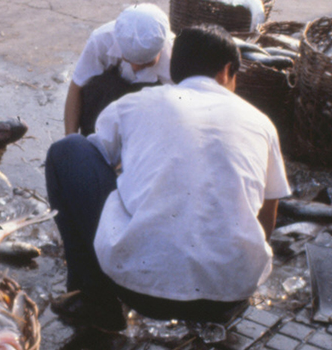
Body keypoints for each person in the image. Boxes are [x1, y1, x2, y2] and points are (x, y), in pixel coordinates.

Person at [45, 24, 291, 330]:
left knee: (68, 149)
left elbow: (92, 159)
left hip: (139, 290)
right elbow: (268, 219)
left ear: (174, 68)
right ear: (228, 71)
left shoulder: (134, 103)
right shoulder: (262, 123)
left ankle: (95, 298)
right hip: (231, 294)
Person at [64, 4, 174, 136]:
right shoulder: (102, 39)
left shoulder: (174, 54)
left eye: (146, 64)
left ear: (161, 50)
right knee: (99, 87)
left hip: (148, 112)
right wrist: (71, 140)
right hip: (110, 97)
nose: (135, 68)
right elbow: (77, 86)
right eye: (129, 61)